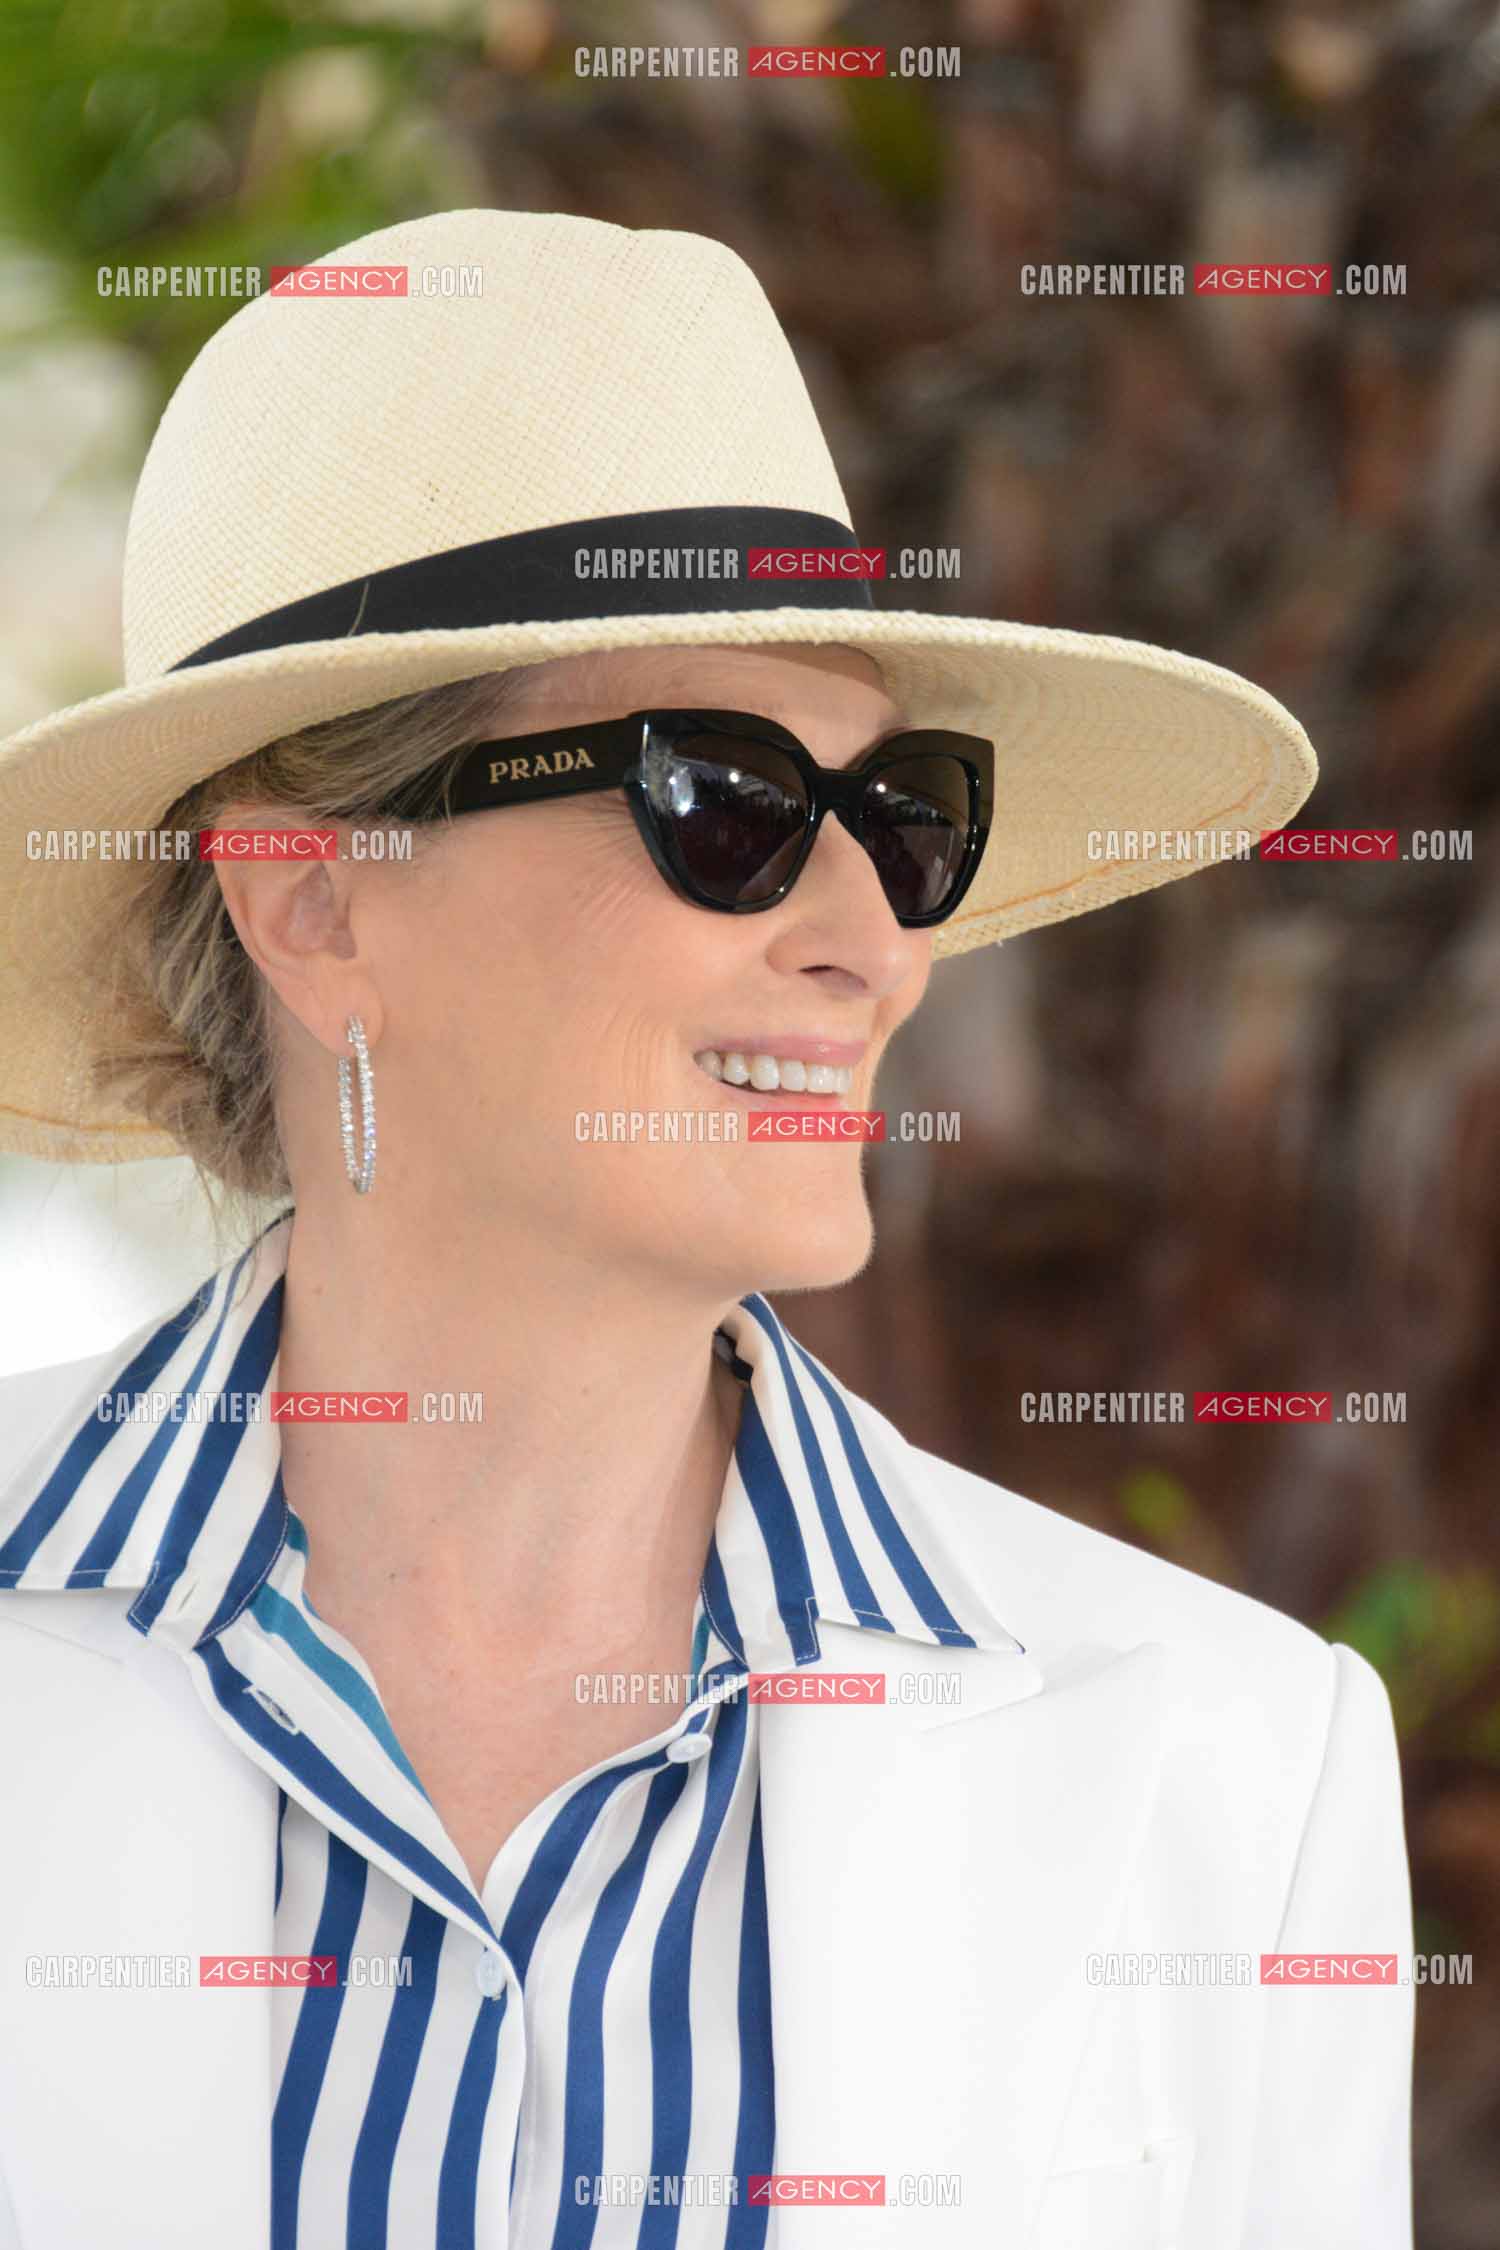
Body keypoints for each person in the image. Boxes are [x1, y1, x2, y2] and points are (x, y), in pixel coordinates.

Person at [0, 209, 1411, 2249]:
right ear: (315, 901)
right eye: (725, 799)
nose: (873, 947)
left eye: (907, 814)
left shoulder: (1236, 1764)